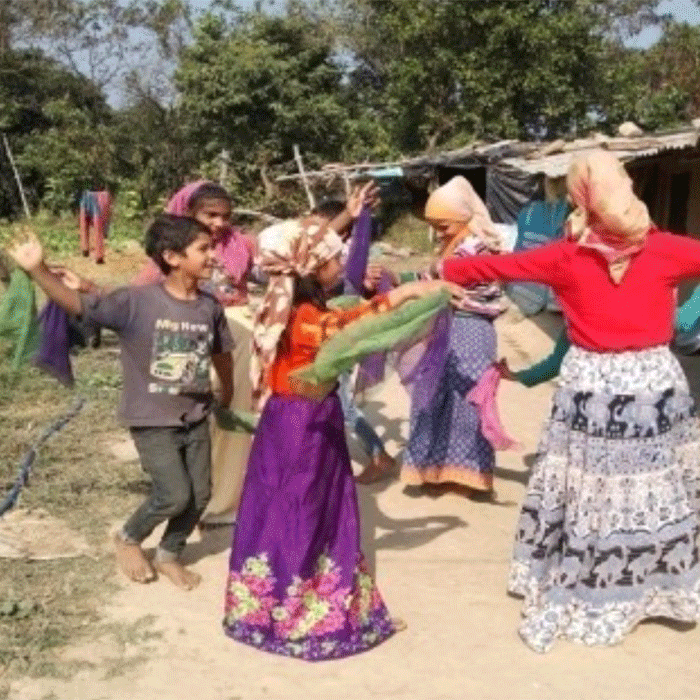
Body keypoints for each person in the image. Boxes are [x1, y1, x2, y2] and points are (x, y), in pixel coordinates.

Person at [437, 150, 700, 652]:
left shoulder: (562, 256)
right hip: (651, 387)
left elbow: (492, 266)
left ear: (579, 196)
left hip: (592, 389)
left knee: (591, 489)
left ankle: (595, 583)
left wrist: (443, 269)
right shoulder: (665, 249)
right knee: (653, 488)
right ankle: (653, 588)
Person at [223, 216, 461, 660]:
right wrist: (407, 295)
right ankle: (305, 618)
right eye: (334, 257)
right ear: (312, 267)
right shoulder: (305, 317)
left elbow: (346, 317)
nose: (342, 262)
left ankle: (264, 610)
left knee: (284, 510)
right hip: (303, 426)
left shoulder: (294, 307)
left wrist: (404, 292)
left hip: (294, 419)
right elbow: (353, 331)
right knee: (307, 516)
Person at [7, 215, 234, 590]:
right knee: (173, 494)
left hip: (196, 414)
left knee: (200, 493)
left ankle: (169, 554)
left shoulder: (209, 307)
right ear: (172, 257)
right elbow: (78, 304)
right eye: (204, 249)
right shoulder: (137, 302)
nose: (213, 256)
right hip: (152, 417)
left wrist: (225, 391)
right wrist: (37, 271)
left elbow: (221, 354)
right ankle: (129, 538)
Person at [400, 176, 508, 496]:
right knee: (434, 394)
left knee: (467, 397)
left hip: (471, 328)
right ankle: (436, 469)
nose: (439, 232)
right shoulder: (453, 244)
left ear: (463, 218)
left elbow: (451, 283)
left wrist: (431, 290)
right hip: (445, 326)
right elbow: (431, 278)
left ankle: (467, 475)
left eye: (444, 225)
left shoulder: (478, 247)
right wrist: (404, 282)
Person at [311, 187, 398, 484]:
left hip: (340, 336)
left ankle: (378, 454)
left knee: (342, 401)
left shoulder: (341, 260)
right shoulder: (346, 259)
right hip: (334, 333)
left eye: (321, 227)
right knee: (332, 396)